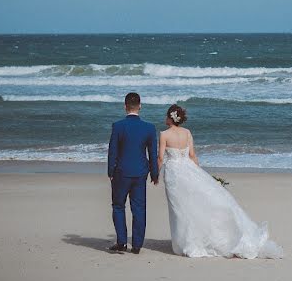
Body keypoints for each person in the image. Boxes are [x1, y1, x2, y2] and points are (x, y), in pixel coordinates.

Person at [159, 104, 282, 258]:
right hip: (189, 170)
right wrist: (199, 175)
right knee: (192, 204)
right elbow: (192, 156)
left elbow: (160, 158)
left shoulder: (164, 135)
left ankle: (186, 241)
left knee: (181, 207)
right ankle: (190, 239)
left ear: (170, 118)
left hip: (174, 174)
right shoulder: (187, 133)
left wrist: (155, 175)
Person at [107, 92, 159, 254]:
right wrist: (155, 174)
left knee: (118, 206)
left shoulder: (118, 126)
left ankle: (122, 242)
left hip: (121, 171)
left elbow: (112, 151)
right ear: (140, 106)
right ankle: (136, 245)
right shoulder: (149, 128)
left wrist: (110, 171)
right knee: (139, 208)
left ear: (125, 106)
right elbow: (153, 153)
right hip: (140, 172)